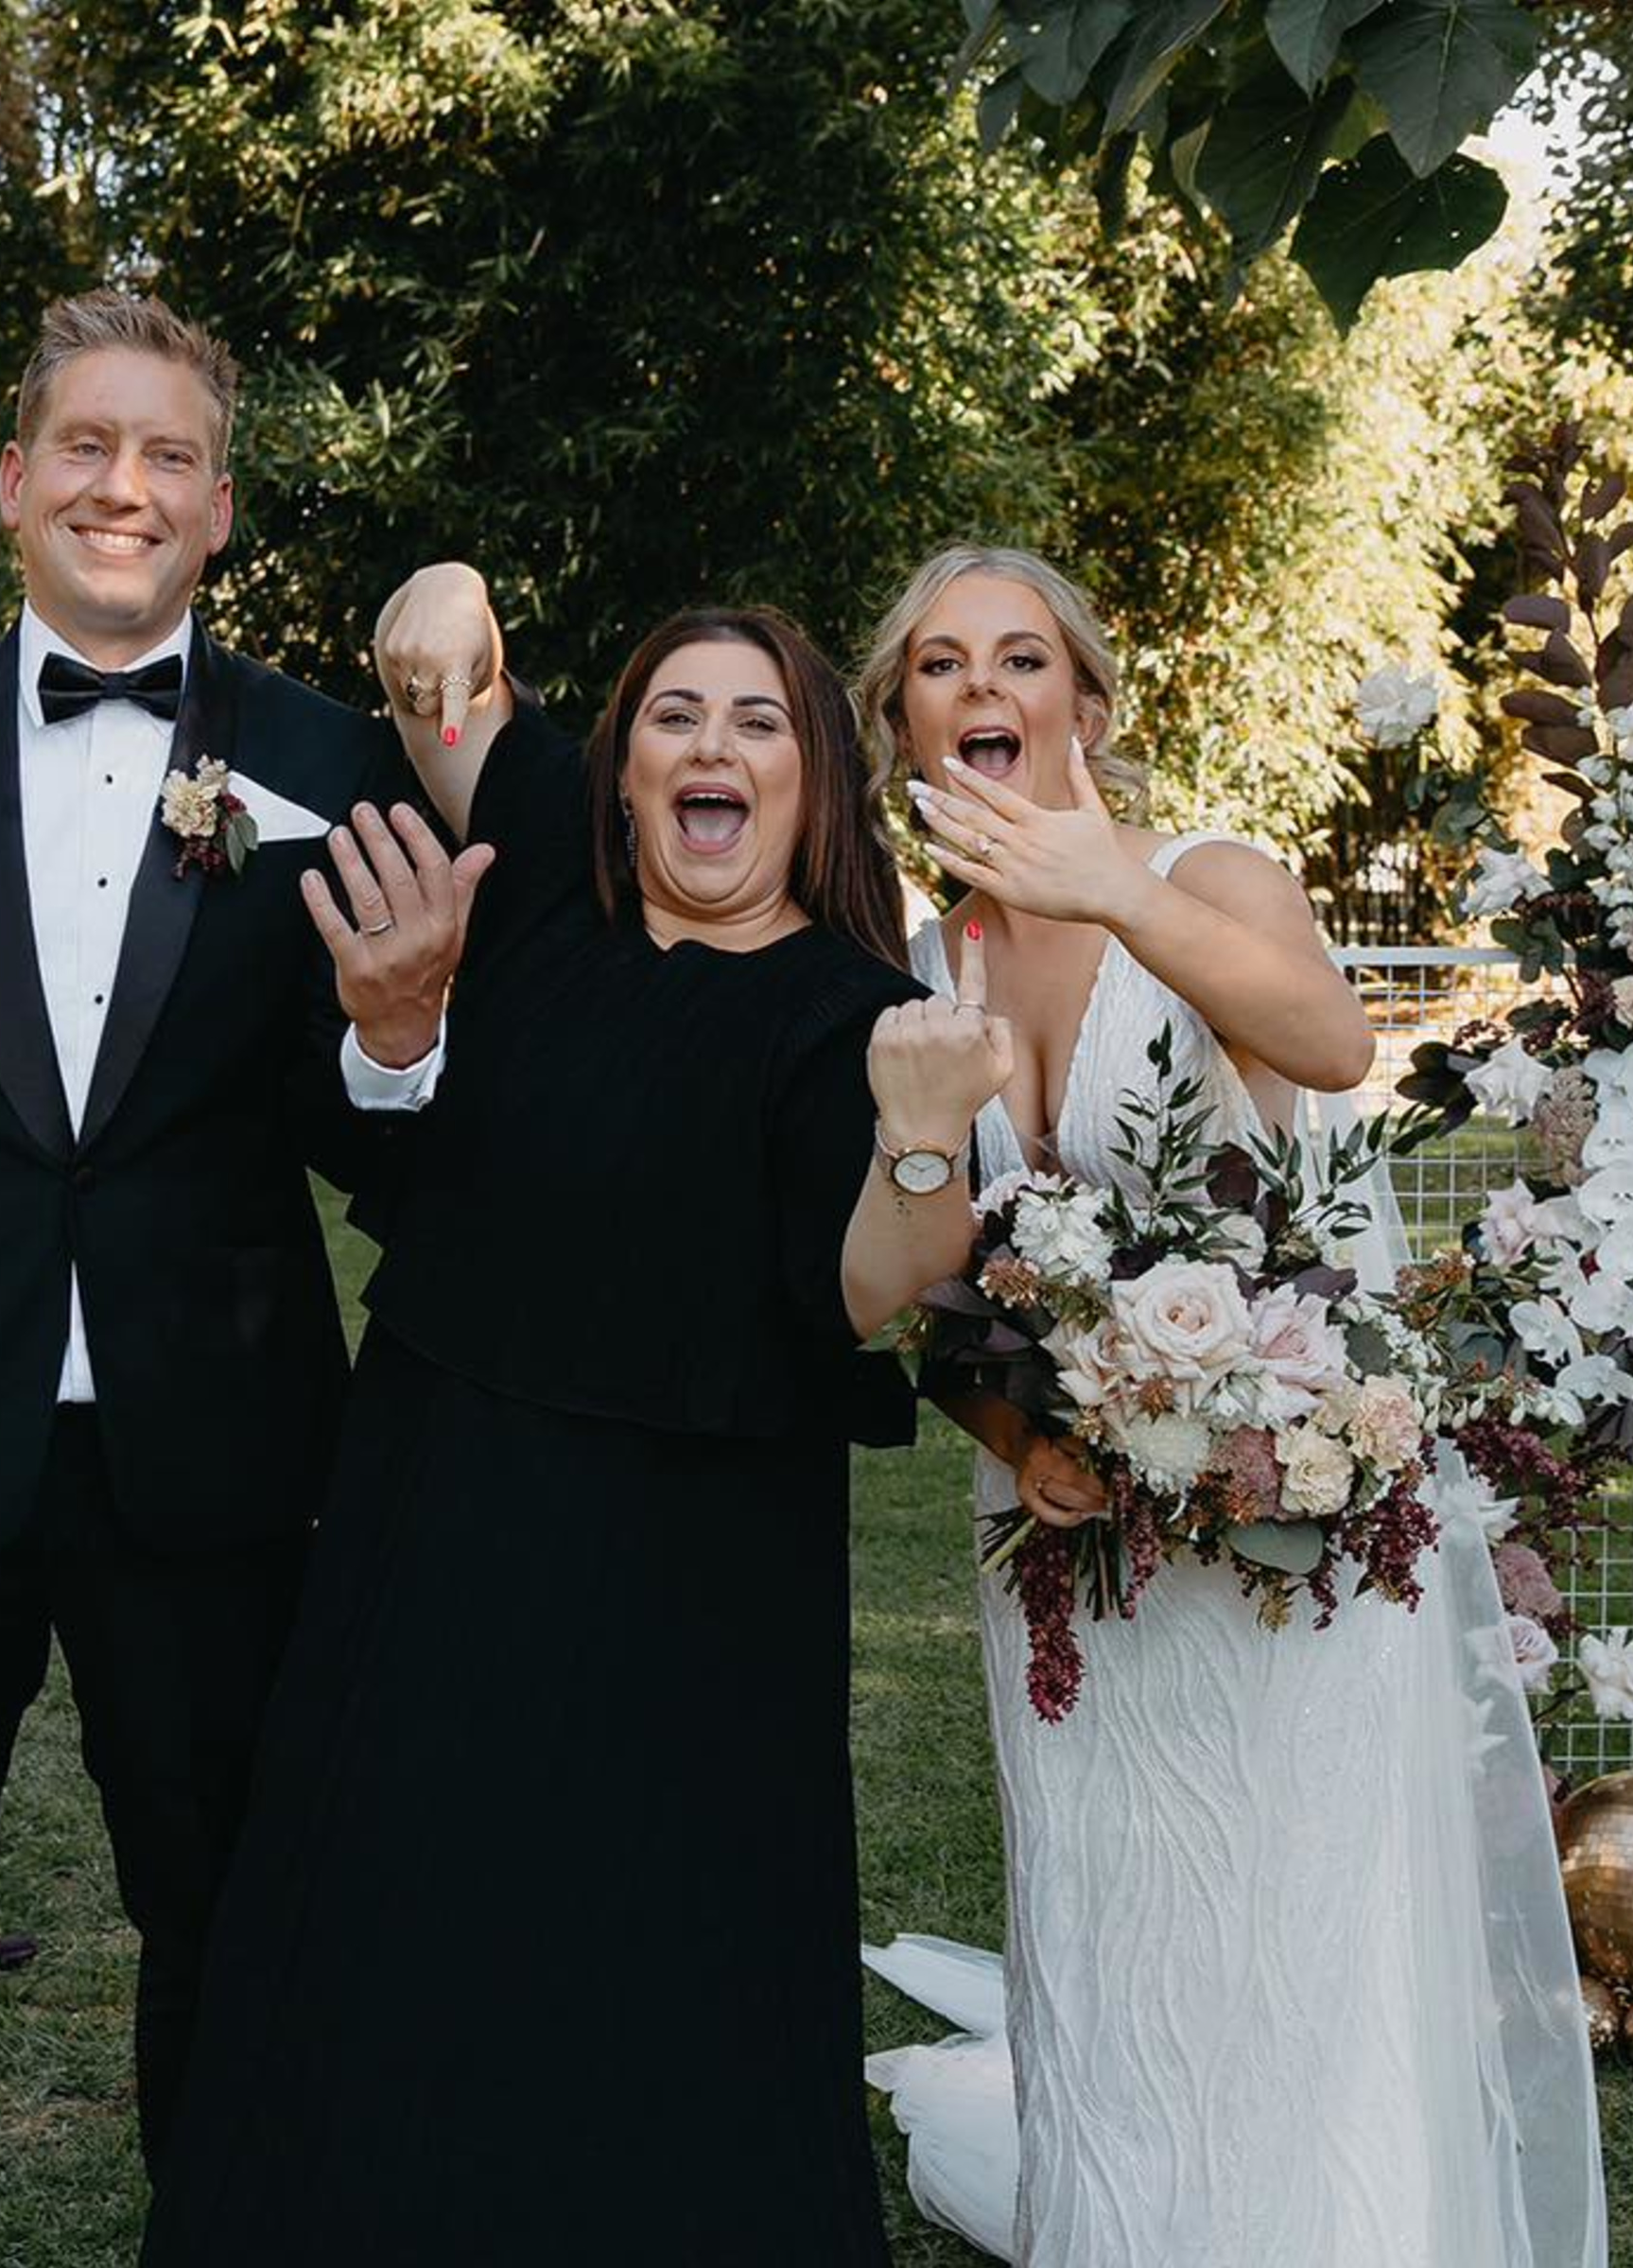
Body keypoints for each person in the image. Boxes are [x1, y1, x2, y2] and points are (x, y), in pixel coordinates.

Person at [0, 289, 486, 2266]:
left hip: (217, 1451)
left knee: (226, 1908)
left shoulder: (324, 754)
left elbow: (389, 1150)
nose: (118, 485)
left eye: (163, 456)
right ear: (12, 485)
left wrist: (396, 1034)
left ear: (220, 508)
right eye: (84, 445)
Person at [141, 584, 1015, 2267]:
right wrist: (447, 607)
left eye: (759, 722)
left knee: (649, 1938)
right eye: (676, 714)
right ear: (617, 772)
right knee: (391, 1895)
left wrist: (920, 1144)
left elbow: (863, 1288)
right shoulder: (541, 859)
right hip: (441, 1501)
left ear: (816, 784)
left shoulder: (847, 1010)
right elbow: (444, 677)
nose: (713, 745)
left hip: (692, 1574)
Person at [861, 545, 1607, 2267]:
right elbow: (943, 1274)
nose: (984, 689)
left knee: (1293, 1940)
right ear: (900, 717)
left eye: (1023, 659)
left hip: (1291, 1537)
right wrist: (1019, 1438)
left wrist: (1112, 886)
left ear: (1088, 704)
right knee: (1108, 1929)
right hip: (1062, 1563)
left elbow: (1333, 1044)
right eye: (942, 665)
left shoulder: (1211, 876)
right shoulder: (919, 960)